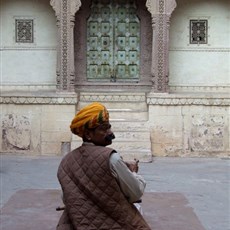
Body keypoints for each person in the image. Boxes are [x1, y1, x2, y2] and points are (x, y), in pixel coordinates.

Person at [56, 102, 151, 230]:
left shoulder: (66, 161)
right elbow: (135, 193)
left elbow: (66, 197)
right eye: (104, 128)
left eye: (109, 127)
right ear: (88, 134)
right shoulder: (112, 158)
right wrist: (133, 173)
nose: (111, 133)